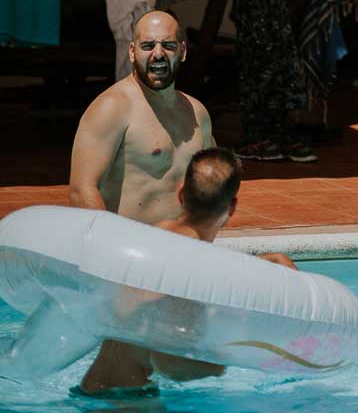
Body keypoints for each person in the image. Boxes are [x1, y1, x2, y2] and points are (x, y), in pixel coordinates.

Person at [79, 147, 298, 395]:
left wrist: (259, 265)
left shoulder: (156, 233)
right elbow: (172, 365)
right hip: (124, 401)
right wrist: (224, 361)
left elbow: (185, 263)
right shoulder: (200, 272)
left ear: (181, 194)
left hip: (96, 387)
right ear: (232, 207)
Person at [69, 9, 215, 222]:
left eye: (168, 45)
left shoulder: (197, 112)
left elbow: (214, 183)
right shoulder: (112, 108)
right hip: (128, 247)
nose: (158, 54)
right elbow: (81, 192)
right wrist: (111, 248)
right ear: (131, 52)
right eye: (148, 46)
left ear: (182, 51)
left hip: (181, 247)